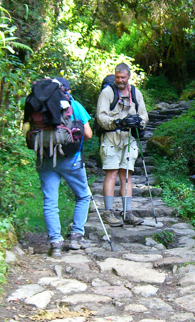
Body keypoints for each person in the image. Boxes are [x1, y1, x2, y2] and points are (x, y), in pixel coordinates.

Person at [32, 77, 93, 257]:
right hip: (70, 159)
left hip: (45, 158)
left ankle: (56, 243)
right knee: (83, 195)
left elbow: (27, 131)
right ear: (67, 90)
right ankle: (76, 237)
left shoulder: (36, 105)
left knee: (50, 201)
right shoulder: (73, 105)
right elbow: (88, 133)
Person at [96, 63, 149, 226]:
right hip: (111, 138)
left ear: (129, 77)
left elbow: (144, 115)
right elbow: (101, 117)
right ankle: (108, 212)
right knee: (111, 174)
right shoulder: (107, 93)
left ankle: (127, 212)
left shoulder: (135, 93)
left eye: (123, 78)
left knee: (127, 176)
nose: (120, 80)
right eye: (117, 77)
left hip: (129, 139)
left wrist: (139, 122)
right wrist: (118, 121)